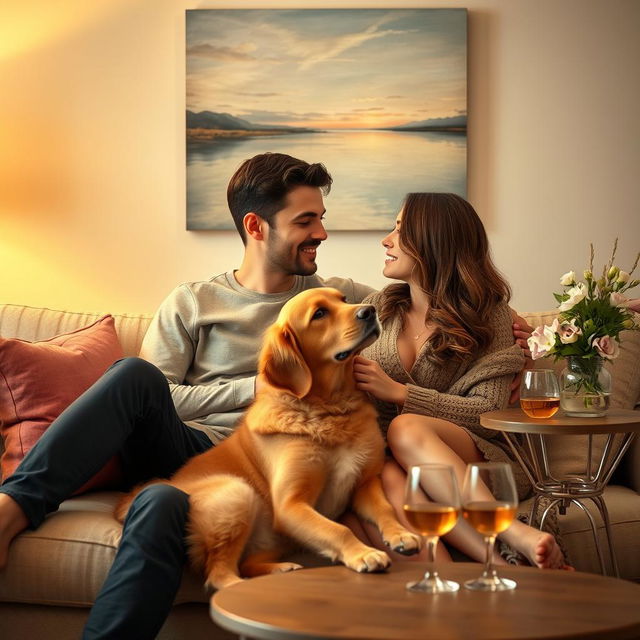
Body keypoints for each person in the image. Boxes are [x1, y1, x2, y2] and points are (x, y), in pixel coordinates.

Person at [0, 154, 538, 639]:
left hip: (272, 467)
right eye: (306, 221)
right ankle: (13, 507)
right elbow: (157, 398)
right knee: (133, 377)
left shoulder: (336, 298)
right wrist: (254, 388)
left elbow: (430, 298)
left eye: (321, 217)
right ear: (256, 226)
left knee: (161, 503)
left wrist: (514, 328)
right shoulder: (193, 302)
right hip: (197, 449)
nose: (322, 232)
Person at [351, 192, 567, 569]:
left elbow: (490, 411)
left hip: (480, 459)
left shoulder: (491, 315)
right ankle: (492, 569)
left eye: (401, 230)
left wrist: (401, 393)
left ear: (433, 241)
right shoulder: (377, 308)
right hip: (396, 461)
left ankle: (509, 529)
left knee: (405, 428)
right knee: (384, 476)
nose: (387, 240)